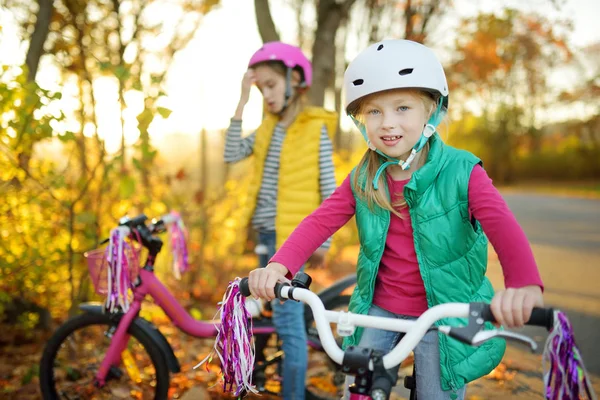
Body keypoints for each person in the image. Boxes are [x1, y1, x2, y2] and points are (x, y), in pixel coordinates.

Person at [246, 39, 544, 399]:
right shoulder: (363, 177)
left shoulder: (461, 171)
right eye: (373, 112)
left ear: (431, 109)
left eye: (402, 108)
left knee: (437, 392)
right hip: (381, 308)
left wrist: (523, 283)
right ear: (360, 121)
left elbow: (502, 225)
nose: (388, 124)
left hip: (442, 313)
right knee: (359, 388)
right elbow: (320, 221)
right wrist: (279, 266)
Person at [223, 41, 338, 399]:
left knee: (289, 328)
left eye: (271, 85)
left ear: (295, 80)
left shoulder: (314, 128)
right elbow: (230, 153)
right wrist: (242, 101)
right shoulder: (266, 129)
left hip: (292, 239)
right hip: (266, 236)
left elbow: (330, 187)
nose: (266, 95)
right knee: (275, 319)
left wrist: (324, 242)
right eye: (261, 89)